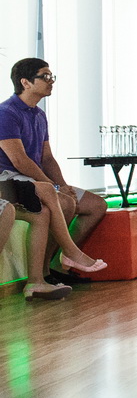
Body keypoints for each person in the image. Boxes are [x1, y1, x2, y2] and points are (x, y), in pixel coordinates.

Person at [0, 58, 108, 296]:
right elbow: (19, 161)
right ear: (25, 82)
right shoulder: (6, 113)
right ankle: (62, 260)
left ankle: (54, 266)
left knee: (96, 204)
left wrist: (63, 185)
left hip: (33, 181)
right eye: (45, 76)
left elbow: (47, 158)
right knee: (61, 200)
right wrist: (52, 185)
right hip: (9, 179)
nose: (51, 82)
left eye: (52, 76)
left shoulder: (39, 114)